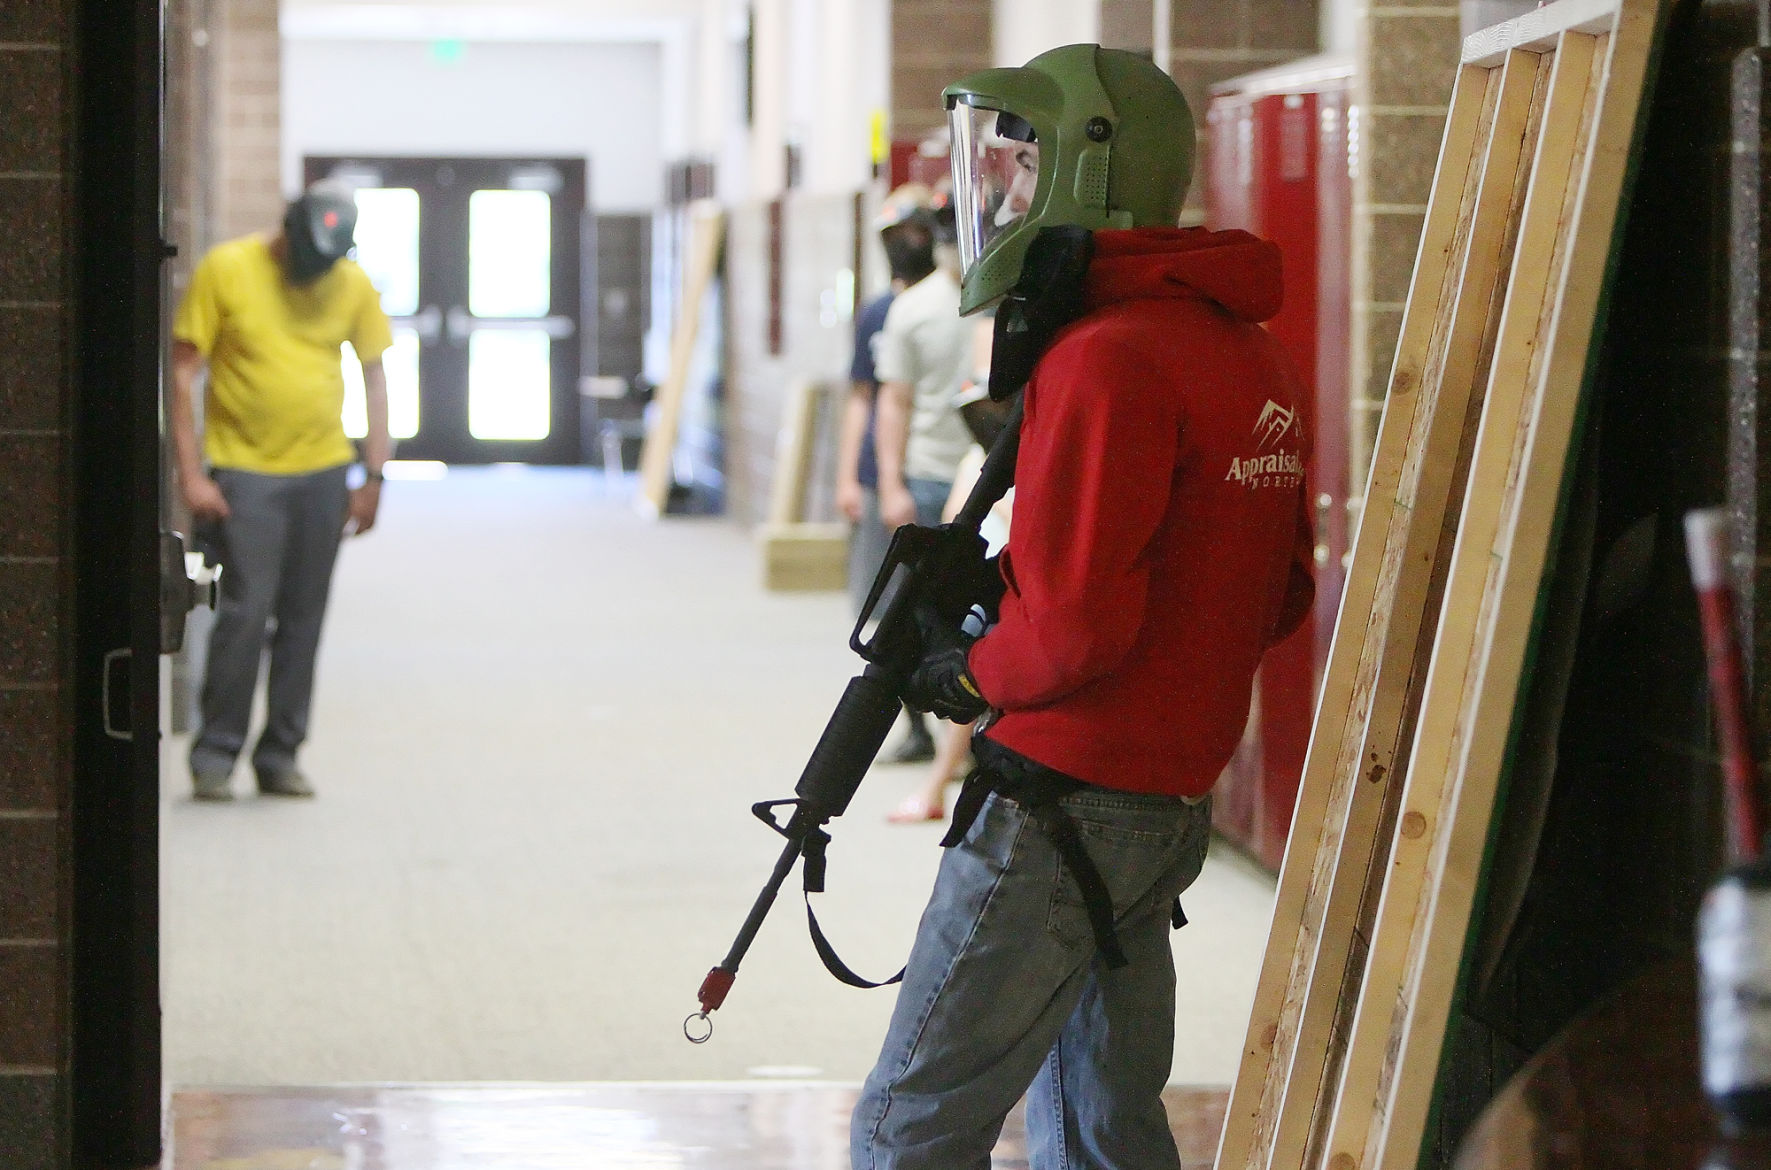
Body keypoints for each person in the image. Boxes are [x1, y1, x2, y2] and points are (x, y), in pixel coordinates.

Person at [850, 44, 1315, 1170]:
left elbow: (1074, 626)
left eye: (1016, 169)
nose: (997, 197)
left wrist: (970, 677)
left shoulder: (1104, 358)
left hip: (1060, 802)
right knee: (1099, 1128)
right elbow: (1283, 595)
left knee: (904, 1130)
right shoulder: (1244, 351)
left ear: (1086, 172)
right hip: (1163, 799)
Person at [169, 180, 393, 801]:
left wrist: (373, 475)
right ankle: (215, 754)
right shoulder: (228, 269)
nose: (316, 274)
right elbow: (183, 370)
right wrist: (190, 474)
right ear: (288, 231)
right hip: (247, 475)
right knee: (244, 615)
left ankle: (280, 754)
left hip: (324, 472)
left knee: (303, 617)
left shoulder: (352, 283)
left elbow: (376, 380)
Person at [836, 183, 942, 765]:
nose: (907, 245)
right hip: (882, 477)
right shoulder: (877, 312)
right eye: (896, 236)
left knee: (928, 606)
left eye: (916, 233)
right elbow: (861, 396)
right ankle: (913, 726)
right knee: (881, 608)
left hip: (928, 471)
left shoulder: (946, 307)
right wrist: (849, 475)